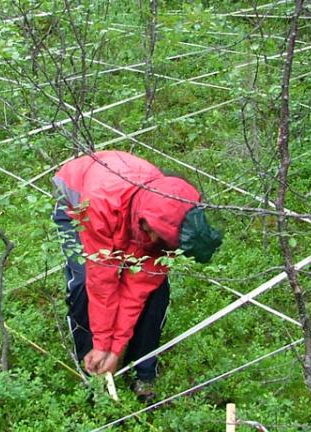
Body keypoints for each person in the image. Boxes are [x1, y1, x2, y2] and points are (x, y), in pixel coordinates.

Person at [51, 150, 222, 401]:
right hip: (80, 207)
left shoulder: (172, 227)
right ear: (144, 220)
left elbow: (136, 291)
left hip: (124, 210)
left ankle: (141, 369)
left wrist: (117, 346)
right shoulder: (101, 201)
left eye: (163, 240)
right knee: (84, 284)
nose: (155, 242)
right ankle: (93, 369)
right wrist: (102, 344)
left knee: (156, 292)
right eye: (155, 235)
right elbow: (103, 282)